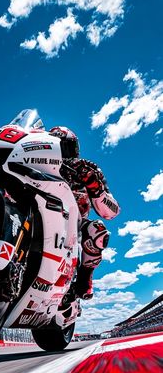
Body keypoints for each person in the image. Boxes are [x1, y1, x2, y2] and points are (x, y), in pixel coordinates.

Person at [49, 126, 120, 300]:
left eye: (66, 148)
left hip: (75, 227)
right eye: (56, 147)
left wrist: (95, 187)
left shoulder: (88, 170)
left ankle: (84, 278)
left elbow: (112, 211)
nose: (63, 155)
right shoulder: (39, 165)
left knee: (98, 230)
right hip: (44, 215)